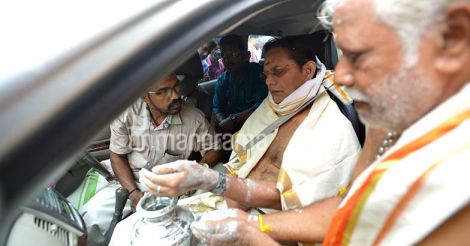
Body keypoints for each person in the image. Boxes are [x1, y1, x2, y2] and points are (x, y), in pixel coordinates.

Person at [187, 0, 470, 245]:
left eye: (357, 55)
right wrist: (251, 226)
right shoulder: (383, 126)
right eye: (342, 55)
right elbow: (346, 208)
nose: (339, 76)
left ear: (452, 38)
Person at [140, 36, 361, 216]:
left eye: (278, 72)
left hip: (268, 218)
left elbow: (306, 201)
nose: (269, 82)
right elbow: (240, 153)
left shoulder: (331, 127)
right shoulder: (274, 106)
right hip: (231, 196)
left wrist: (215, 181)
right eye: (266, 74)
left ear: (308, 70)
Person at [79, 73, 222, 235]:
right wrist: (133, 194)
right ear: (145, 97)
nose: (175, 95)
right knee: (92, 218)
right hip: (127, 181)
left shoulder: (194, 119)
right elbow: (117, 156)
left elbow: (214, 148)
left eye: (176, 87)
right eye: (163, 91)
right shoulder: (126, 114)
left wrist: (197, 171)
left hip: (168, 186)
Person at [213, 34, 268, 134]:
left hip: (256, 126)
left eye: (233, 54)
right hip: (231, 128)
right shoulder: (222, 80)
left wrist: (233, 119)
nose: (227, 59)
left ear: (246, 55)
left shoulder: (259, 75)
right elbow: (217, 107)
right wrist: (223, 122)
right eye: (224, 55)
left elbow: (262, 105)